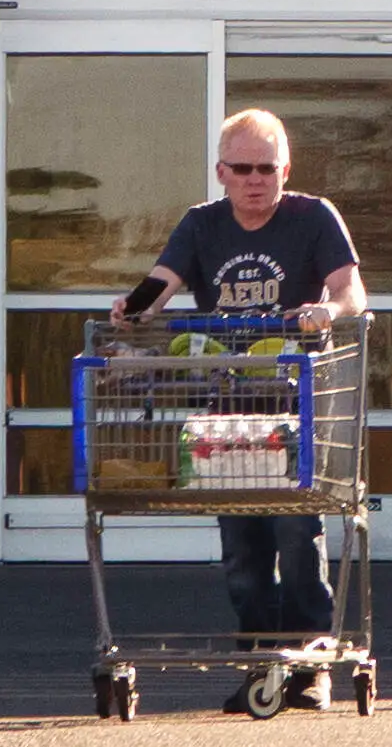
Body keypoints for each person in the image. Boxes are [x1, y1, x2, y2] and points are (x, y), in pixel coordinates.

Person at [122, 107, 367, 704]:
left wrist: (326, 311)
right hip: (228, 407)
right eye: (243, 168)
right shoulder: (202, 225)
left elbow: (351, 290)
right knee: (242, 547)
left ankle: (310, 669)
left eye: (267, 168)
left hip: (298, 404)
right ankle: (260, 667)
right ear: (221, 172)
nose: (256, 179)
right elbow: (163, 280)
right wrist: (135, 307)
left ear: (285, 169)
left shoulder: (313, 217)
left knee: (294, 533)